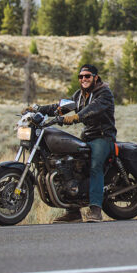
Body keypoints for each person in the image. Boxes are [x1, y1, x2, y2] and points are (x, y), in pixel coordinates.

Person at [26, 64, 116, 223]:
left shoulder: (104, 93)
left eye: (87, 76)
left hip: (103, 137)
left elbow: (92, 109)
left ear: (95, 77)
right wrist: (38, 109)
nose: (83, 79)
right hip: (87, 137)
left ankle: (96, 210)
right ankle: (73, 212)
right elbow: (59, 108)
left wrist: (74, 118)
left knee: (95, 166)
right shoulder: (79, 95)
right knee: (68, 165)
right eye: (81, 77)